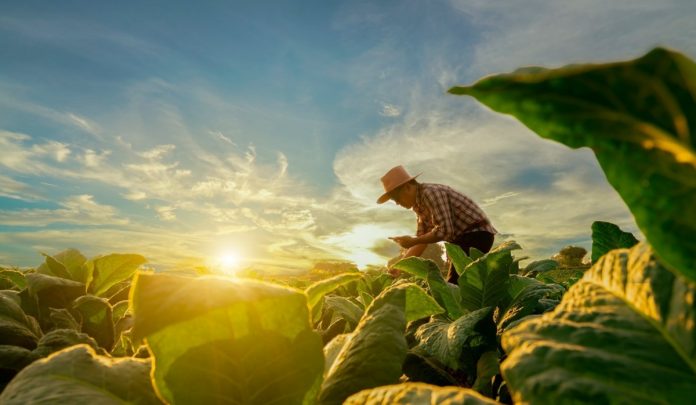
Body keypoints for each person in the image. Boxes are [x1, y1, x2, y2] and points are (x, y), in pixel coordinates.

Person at [377, 165, 497, 284]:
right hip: (461, 241)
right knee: (465, 284)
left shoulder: (431, 193)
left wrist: (413, 241)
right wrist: (400, 266)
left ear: (407, 187)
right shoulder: (419, 206)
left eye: (397, 198)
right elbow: (421, 241)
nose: (398, 203)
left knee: (454, 285)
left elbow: (445, 231)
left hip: (477, 234)